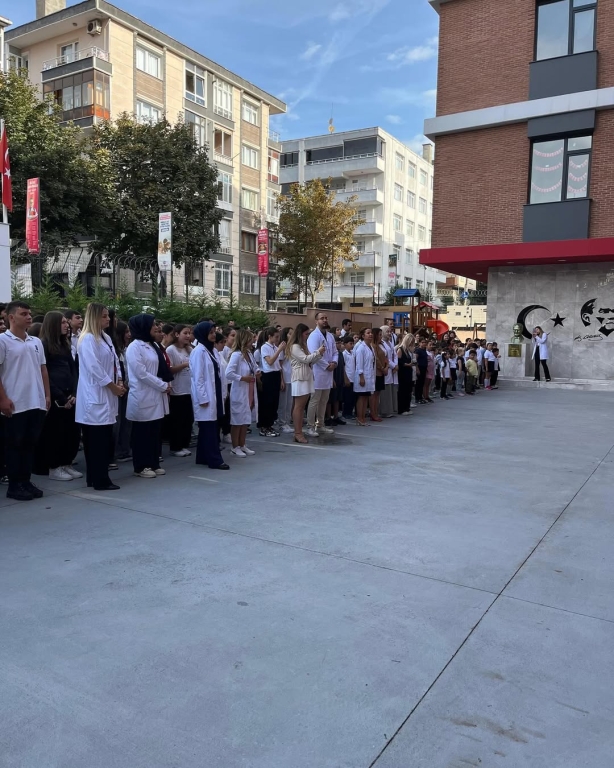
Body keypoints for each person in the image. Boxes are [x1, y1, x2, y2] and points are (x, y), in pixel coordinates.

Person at [0, 301, 51, 501]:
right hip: (15, 403)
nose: (29, 317)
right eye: (23, 314)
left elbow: (43, 369)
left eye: (29, 313)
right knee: (15, 446)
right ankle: (14, 485)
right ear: (11, 317)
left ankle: (25, 481)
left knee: (29, 445)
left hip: (35, 402)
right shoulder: (3, 341)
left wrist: (47, 395)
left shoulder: (35, 342)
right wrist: (3, 399)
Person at [76, 303, 125, 491]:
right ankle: (100, 480)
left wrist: (119, 380)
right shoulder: (87, 339)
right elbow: (94, 368)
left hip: (108, 393)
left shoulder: (105, 337)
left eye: (108, 316)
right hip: (95, 395)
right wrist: (112, 386)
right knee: (96, 442)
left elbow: (115, 360)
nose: (108, 319)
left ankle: (95, 477)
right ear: (94, 317)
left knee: (103, 439)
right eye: (104, 316)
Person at [34, 311, 81, 481]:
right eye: (62, 322)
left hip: (69, 394)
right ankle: (54, 466)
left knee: (71, 433)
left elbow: (73, 370)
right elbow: (44, 373)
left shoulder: (65, 344)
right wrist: (60, 396)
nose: (66, 325)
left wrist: (74, 392)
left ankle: (66, 462)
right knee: (55, 433)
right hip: (56, 396)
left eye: (66, 322)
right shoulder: (44, 344)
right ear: (53, 324)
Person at [126, 314, 171, 479]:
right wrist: (162, 385)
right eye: (153, 325)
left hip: (155, 395)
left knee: (154, 432)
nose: (156, 327)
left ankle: (153, 463)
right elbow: (141, 373)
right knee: (142, 434)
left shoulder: (152, 345)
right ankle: (141, 466)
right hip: (142, 395)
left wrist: (164, 383)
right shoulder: (134, 347)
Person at [191, 322, 229, 470]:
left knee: (209, 427)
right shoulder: (198, 352)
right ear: (203, 334)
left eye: (214, 332)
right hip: (206, 395)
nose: (214, 335)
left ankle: (202, 457)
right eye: (211, 332)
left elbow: (219, 373)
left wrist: (223, 393)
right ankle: (215, 460)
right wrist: (202, 398)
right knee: (210, 429)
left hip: (216, 393)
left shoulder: (212, 350)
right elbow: (198, 377)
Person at [286, 323, 324, 443]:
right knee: (299, 406)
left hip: (305, 376)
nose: (307, 336)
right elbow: (305, 359)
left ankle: (299, 432)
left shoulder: (302, 346)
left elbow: (310, 361)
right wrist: (318, 352)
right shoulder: (295, 346)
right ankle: (298, 433)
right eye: (306, 334)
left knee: (302, 407)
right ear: (300, 334)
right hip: (300, 378)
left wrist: (319, 354)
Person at [225, 328, 259, 457]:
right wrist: (242, 378)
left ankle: (242, 444)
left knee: (245, 419)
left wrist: (258, 371)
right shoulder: (236, 355)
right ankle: (235, 447)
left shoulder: (249, 354)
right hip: (239, 390)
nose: (252, 342)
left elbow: (254, 367)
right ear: (244, 340)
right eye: (250, 339)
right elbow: (228, 373)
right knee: (237, 420)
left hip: (249, 389)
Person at [306, 312, 337, 436]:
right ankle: (310, 426)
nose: (324, 320)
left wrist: (334, 362)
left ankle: (320, 424)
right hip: (318, 372)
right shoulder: (313, 336)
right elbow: (314, 353)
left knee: (324, 400)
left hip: (329, 372)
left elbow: (335, 352)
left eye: (326, 318)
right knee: (314, 400)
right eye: (321, 318)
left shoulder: (330, 336)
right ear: (316, 321)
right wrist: (326, 365)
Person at [166, 324, 194, 457]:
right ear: (177, 334)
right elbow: (169, 369)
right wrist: (184, 365)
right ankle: (176, 446)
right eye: (185, 333)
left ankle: (184, 444)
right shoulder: (171, 350)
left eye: (189, 333)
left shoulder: (190, 349)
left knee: (188, 419)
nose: (188, 336)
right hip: (177, 390)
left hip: (189, 388)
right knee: (178, 420)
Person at [259, 326, 285, 437]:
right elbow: (270, 361)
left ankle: (269, 424)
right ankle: (264, 426)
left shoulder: (275, 347)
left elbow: (278, 364)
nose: (278, 339)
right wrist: (279, 350)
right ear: (270, 336)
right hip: (268, 375)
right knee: (267, 402)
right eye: (276, 337)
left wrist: (281, 379)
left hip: (276, 374)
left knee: (274, 402)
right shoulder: (265, 347)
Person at [112, 320, 132, 462]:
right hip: (118, 389)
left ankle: (125, 449)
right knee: (117, 422)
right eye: (126, 332)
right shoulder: (116, 350)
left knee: (126, 420)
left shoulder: (126, 349)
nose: (129, 335)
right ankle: (117, 451)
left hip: (128, 388)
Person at [354, 328, 376, 427]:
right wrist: (361, 377)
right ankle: (359, 418)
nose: (370, 334)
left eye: (371, 333)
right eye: (368, 333)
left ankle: (363, 417)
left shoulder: (371, 347)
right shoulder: (361, 348)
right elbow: (359, 364)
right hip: (362, 376)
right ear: (363, 336)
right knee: (361, 397)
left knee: (366, 397)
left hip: (369, 375)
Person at [277, 327, 294, 434]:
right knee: (283, 403)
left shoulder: (292, 347)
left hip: (292, 377)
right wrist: (282, 380)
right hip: (285, 377)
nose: (292, 335)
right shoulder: (282, 347)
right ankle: (282, 423)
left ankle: (287, 421)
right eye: (290, 334)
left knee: (289, 402)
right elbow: (280, 365)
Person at [379, 325, 398, 418]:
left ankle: (390, 410)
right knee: (385, 391)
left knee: (390, 390)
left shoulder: (390, 343)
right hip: (387, 368)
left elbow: (395, 355)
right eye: (387, 332)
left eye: (390, 332)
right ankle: (384, 411)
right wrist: (393, 365)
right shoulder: (381, 344)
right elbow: (386, 358)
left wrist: (396, 365)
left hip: (392, 369)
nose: (390, 333)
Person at [371, 327, 387, 422]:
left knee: (378, 393)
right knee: (374, 394)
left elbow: (385, 357)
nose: (381, 336)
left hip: (382, 371)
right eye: (380, 335)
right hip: (377, 372)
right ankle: (373, 413)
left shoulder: (380, 345)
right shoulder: (373, 346)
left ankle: (376, 412)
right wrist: (382, 368)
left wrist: (386, 366)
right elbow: (376, 359)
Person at [396, 333, 415, 415]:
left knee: (408, 390)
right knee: (402, 391)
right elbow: (398, 362)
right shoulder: (400, 349)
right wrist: (407, 364)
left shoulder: (408, 350)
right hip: (402, 372)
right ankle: (401, 409)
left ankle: (407, 407)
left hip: (408, 372)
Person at [414, 338, 428, 405]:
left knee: (422, 383)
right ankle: (417, 398)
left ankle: (420, 397)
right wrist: (417, 369)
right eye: (422, 342)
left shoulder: (424, 350)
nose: (424, 343)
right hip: (420, 368)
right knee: (418, 383)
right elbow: (415, 359)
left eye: (425, 342)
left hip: (424, 368)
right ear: (419, 343)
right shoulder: (418, 350)